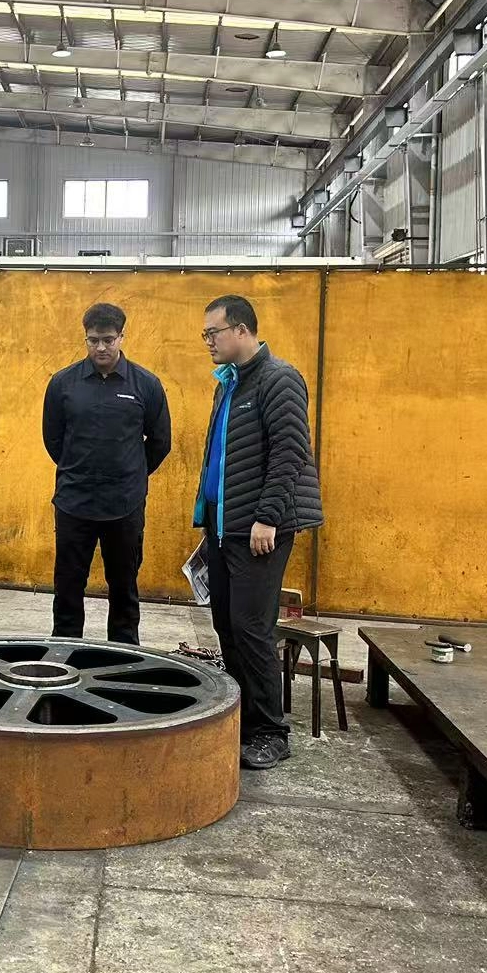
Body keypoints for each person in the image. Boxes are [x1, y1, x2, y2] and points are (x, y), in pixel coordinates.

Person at [195, 294, 323, 772]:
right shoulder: (229, 384)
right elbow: (222, 459)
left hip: (259, 530)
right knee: (227, 625)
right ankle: (244, 723)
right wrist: (209, 521)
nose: (208, 342)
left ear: (242, 330)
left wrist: (267, 517)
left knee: (252, 628)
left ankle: (271, 732)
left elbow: (290, 453)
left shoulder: (278, 379)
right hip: (224, 528)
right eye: (206, 334)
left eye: (213, 333)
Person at [42, 303, 172, 643]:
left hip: (125, 506)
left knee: (124, 589)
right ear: (85, 338)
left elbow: (160, 442)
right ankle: (64, 656)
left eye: (108, 340)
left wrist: (131, 473)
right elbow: (53, 439)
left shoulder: (146, 385)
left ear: (121, 337)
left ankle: (124, 659)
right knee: (68, 588)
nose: (101, 348)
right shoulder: (63, 384)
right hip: (74, 503)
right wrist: (80, 470)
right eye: (93, 340)